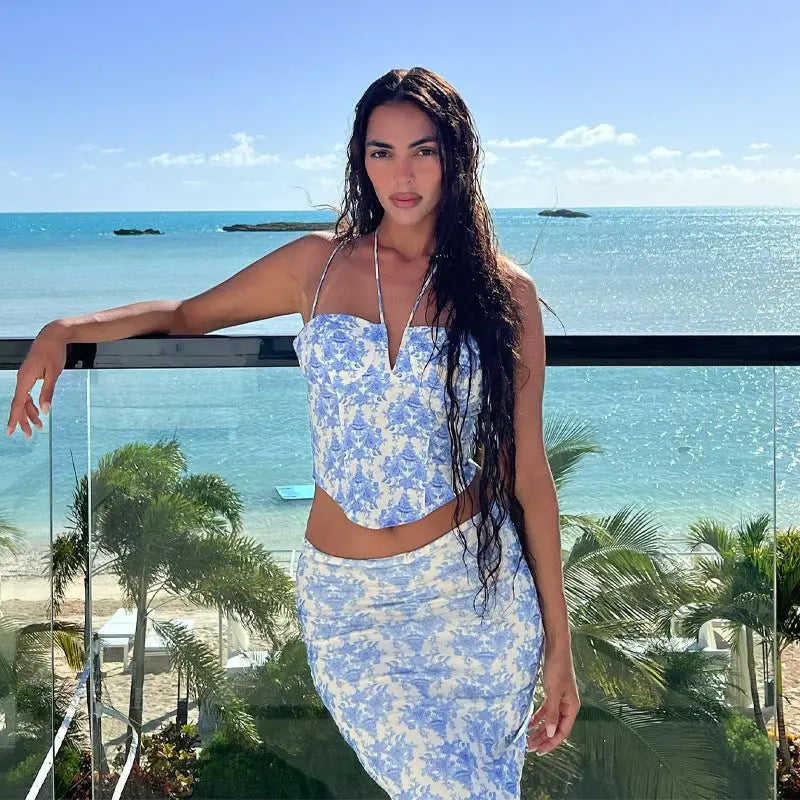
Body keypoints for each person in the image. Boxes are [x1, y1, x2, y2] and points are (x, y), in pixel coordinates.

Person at [7, 67, 579, 798]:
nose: (400, 174)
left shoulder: (506, 293)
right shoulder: (318, 264)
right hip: (350, 605)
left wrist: (561, 648)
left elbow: (528, 475)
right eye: (381, 152)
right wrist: (66, 329)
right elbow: (188, 315)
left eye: (422, 150)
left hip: (471, 598)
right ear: (359, 159)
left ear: (455, 157)